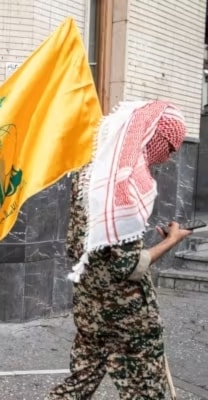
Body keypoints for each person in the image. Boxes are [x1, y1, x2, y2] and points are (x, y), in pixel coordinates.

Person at [46, 101, 192, 399]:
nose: (169, 157)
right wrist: (171, 241)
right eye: (171, 147)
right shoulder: (126, 185)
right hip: (126, 315)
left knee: (80, 382)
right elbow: (129, 266)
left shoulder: (93, 173)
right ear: (154, 137)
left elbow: (78, 244)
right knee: (145, 390)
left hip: (89, 304)